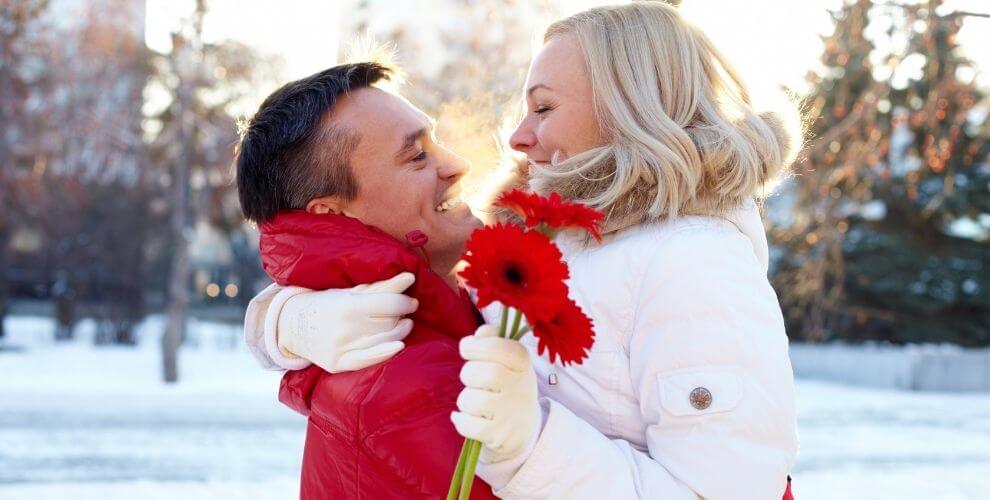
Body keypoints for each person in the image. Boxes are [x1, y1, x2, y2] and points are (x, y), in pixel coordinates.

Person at [248, 3, 800, 499]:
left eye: (543, 108)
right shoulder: (547, 235)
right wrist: (283, 320)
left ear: (629, 108)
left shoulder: (693, 263)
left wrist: (529, 445)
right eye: (416, 156)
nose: (515, 136)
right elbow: (404, 284)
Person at [236, 62, 495, 499]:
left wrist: (277, 321)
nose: (459, 165)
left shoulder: (439, 317)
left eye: (436, 142)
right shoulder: (403, 382)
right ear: (334, 215)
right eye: (417, 156)